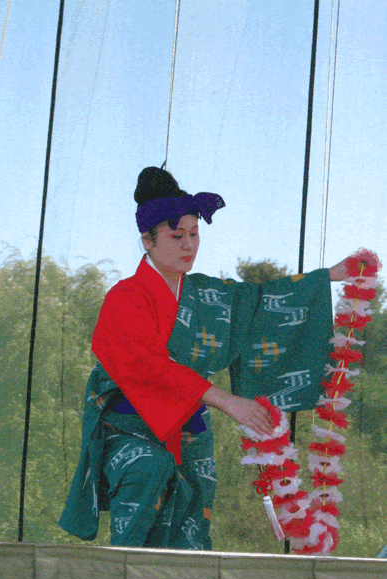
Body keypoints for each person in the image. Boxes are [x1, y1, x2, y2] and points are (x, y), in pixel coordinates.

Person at [59, 166, 349, 550]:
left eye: (194, 234)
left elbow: (260, 302)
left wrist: (330, 275)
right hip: (130, 429)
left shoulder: (207, 293)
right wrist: (227, 401)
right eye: (176, 236)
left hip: (191, 430)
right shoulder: (125, 297)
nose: (188, 245)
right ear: (147, 240)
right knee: (148, 473)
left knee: (193, 523)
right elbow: (148, 365)